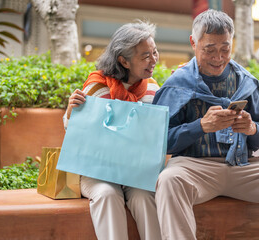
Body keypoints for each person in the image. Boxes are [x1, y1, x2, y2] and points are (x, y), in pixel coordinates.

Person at [153, 9, 259, 240]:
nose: (218, 57)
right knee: (169, 180)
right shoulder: (177, 84)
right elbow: (159, 141)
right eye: (209, 49)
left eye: (225, 49)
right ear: (194, 42)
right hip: (194, 168)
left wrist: (251, 129)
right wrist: (200, 126)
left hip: (243, 167)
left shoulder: (248, 83)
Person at [63, 21, 161, 240]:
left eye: (154, 52)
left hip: (135, 172)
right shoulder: (97, 87)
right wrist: (71, 112)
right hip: (97, 172)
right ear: (123, 60)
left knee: (145, 197)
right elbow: (74, 133)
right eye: (145, 56)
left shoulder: (154, 88)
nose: (153, 60)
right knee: (107, 194)